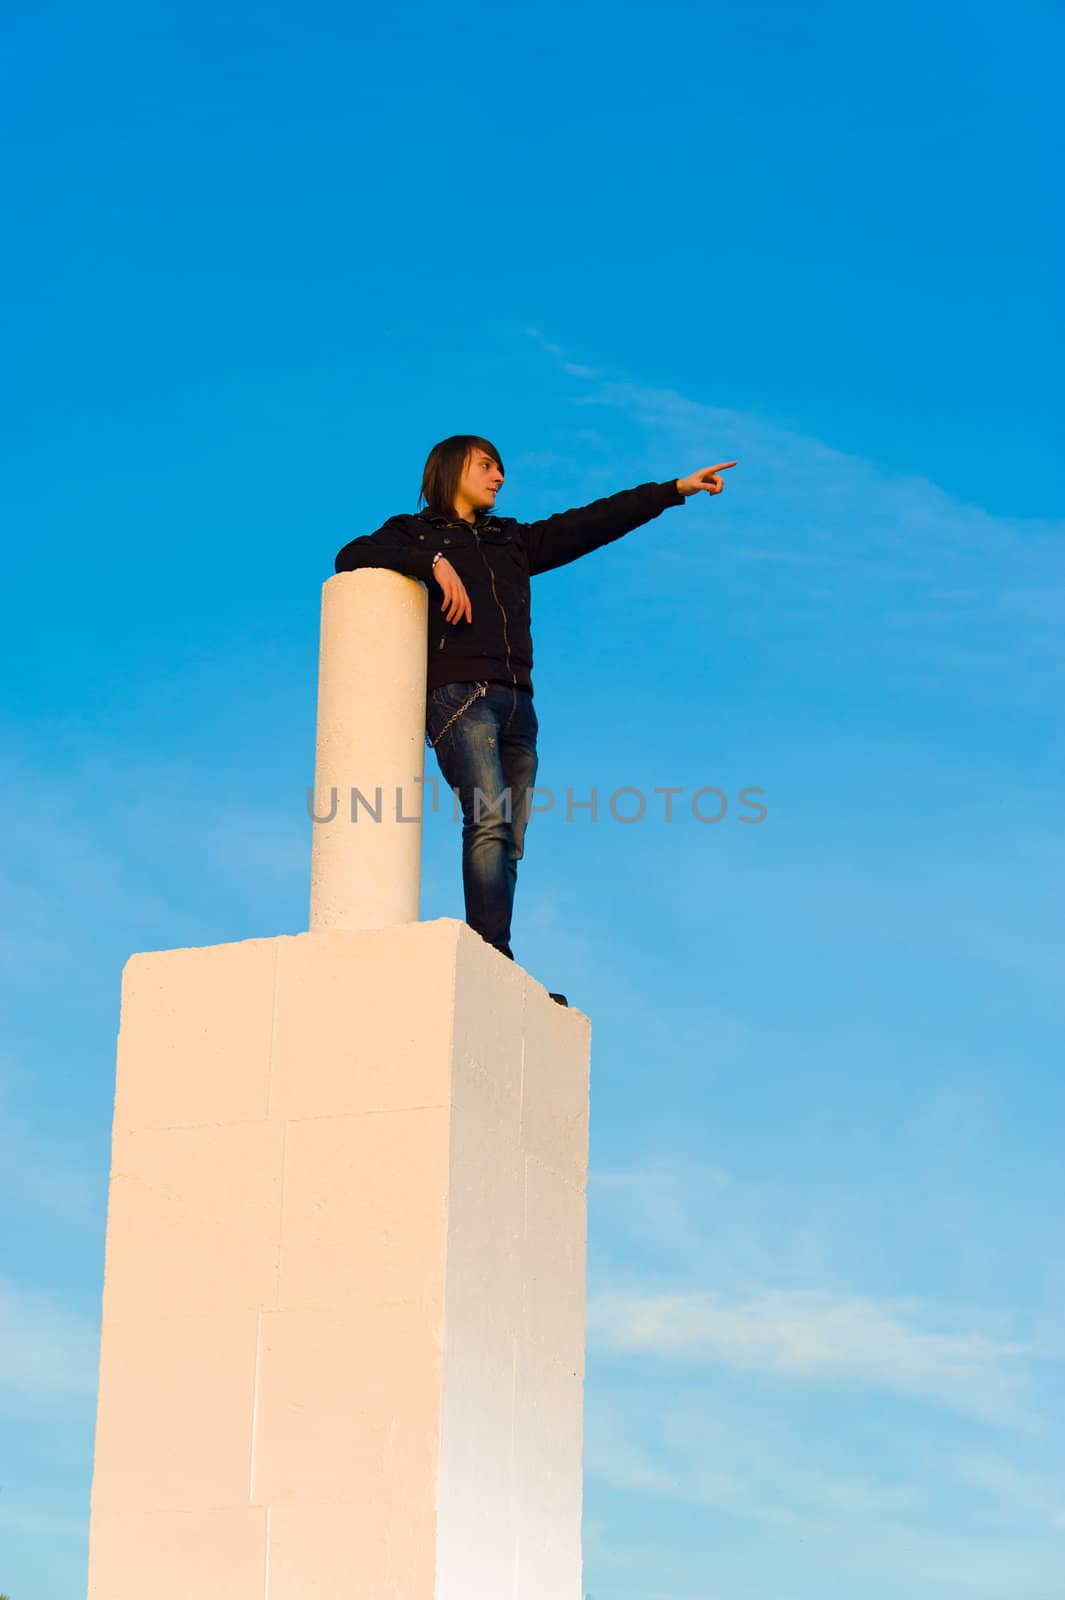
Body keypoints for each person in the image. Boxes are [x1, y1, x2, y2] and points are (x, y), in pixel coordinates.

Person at [334, 435, 736, 998]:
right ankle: (491, 958)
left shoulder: (513, 541)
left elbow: (594, 521)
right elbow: (350, 556)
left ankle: (491, 959)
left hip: (519, 706)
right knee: (490, 822)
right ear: (452, 469)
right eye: (486, 466)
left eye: (501, 469)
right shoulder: (414, 531)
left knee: (509, 840)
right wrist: (431, 562)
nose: (499, 477)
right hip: (462, 697)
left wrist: (672, 491)